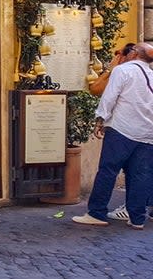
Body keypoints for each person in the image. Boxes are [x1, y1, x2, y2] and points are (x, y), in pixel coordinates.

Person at [73, 42, 153, 229]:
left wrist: (101, 119)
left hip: (122, 130)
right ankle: (137, 218)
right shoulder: (151, 75)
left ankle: (96, 213)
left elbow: (109, 97)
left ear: (134, 53)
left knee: (108, 171)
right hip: (147, 133)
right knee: (140, 175)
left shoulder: (122, 71)